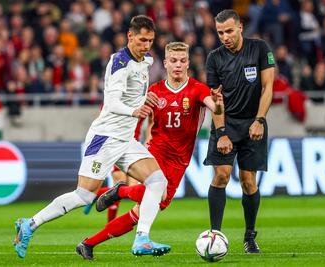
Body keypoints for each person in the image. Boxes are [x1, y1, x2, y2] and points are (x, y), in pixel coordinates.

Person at [14, 15, 171, 259]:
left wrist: (144, 98)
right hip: (105, 137)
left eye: (150, 40)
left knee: (158, 182)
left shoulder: (145, 61)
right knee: (84, 195)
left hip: (126, 139)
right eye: (142, 40)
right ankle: (29, 224)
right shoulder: (120, 62)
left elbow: (132, 95)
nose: (146, 45)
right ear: (130, 36)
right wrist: (135, 109)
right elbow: (112, 101)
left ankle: (142, 238)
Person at [76, 41, 223, 261]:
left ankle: (88, 243)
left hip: (180, 159)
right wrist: (128, 145)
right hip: (155, 153)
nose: (178, 65)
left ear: (188, 63)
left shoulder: (197, 89)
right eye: (173, 61)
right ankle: (120, 193)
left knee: (141, 211)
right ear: (165, 63)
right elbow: (135, 119)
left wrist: (219, 105)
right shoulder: (154, 91)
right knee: (157, 197)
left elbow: (213, 106)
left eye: (182, 61)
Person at [203, 9, 275, 254]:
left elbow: (268, 88)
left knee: (248, 182)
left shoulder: (260, 48)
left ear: (241, 27)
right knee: (221, 176)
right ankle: (214, 235)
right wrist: (221, 132)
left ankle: (250, 236)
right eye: (220, 32)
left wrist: (260, 120)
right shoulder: (214, 58)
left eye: (229, 31)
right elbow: (215, 99)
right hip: (226, 122)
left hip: (253, 123)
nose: (225, 36)